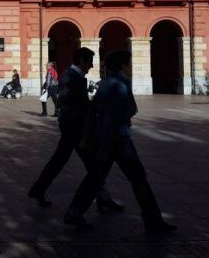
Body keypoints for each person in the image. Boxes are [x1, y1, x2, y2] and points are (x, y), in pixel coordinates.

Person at [64, 50, 176, 234]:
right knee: (139, 180)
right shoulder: (119, 85)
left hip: (107, 140)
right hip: (118, 140)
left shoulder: (106, 83)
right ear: (123, 65)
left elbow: (97, 112)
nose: (131, 67)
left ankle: (74, 212)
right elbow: (114, 116)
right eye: (129, 64)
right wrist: (105, 145)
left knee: (94, 178)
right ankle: (153, 222)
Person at [29, 48, 122, 213]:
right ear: (81, 60)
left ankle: (39, 189)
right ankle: (101, 200)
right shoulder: (73, 76)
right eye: (89, 61)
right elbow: (74, 104)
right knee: (93, 165)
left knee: (64, 162)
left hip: (72, 128)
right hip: (75, 129)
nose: (92, 66)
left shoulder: (70, 75)